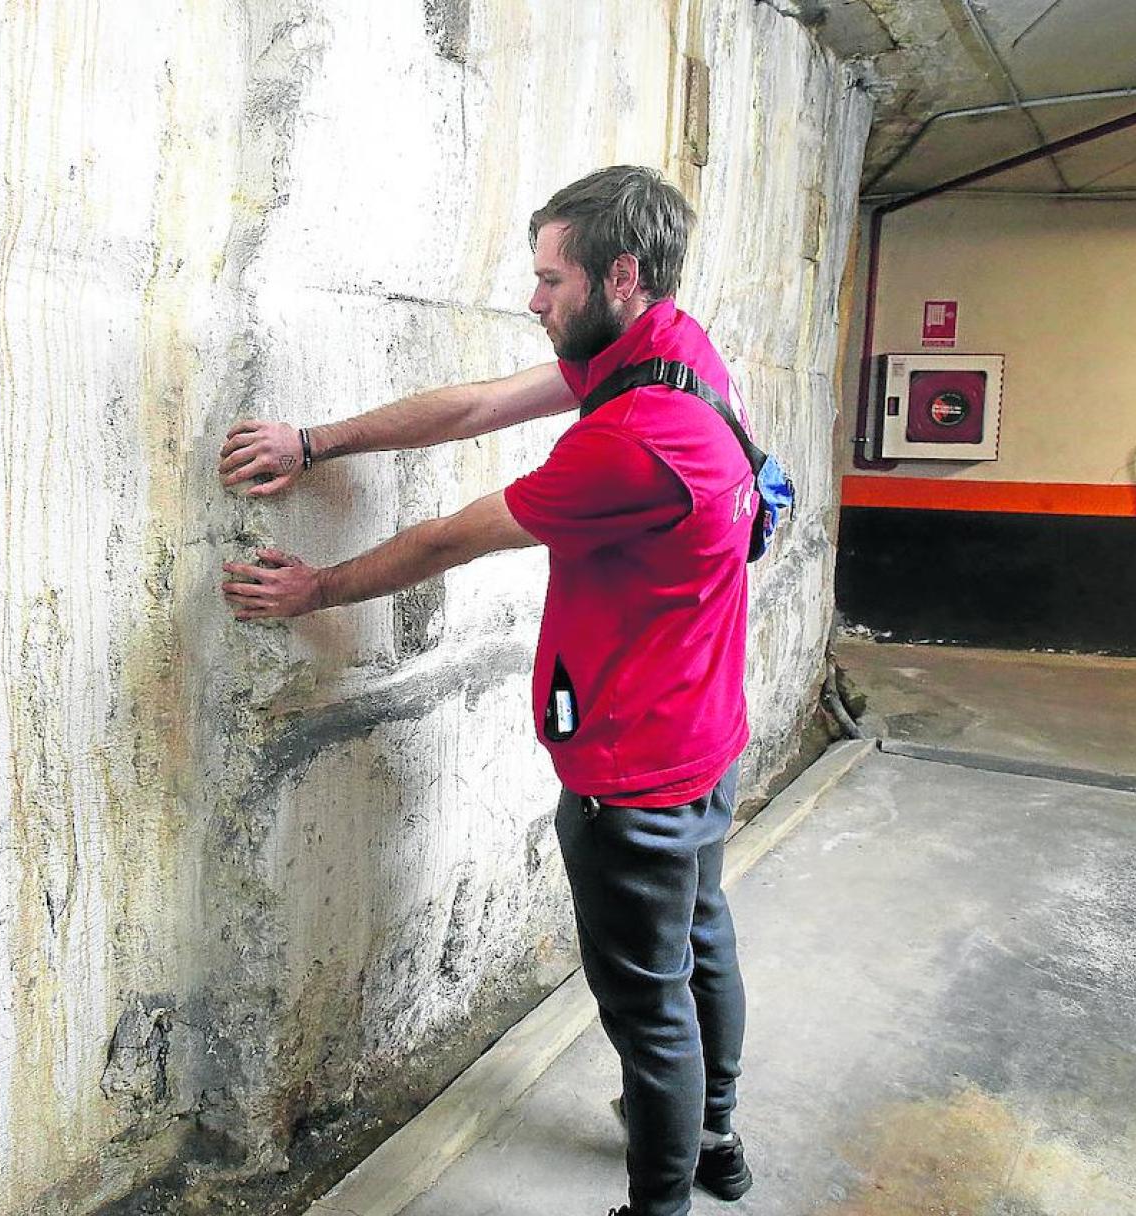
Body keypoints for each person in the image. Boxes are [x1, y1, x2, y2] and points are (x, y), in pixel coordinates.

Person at [216, 165, 756, 1216]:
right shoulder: (668, 354)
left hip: (632, 774)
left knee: (648, 1010)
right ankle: (718, 1141)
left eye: (551, 278)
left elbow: (449, 537)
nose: (533, 297)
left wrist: (319, 586)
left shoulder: (631, 441)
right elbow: (478, 405)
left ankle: (663, 1204)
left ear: (622, 274)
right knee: (700, 941)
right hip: (705, 732)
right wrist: (317, 441)